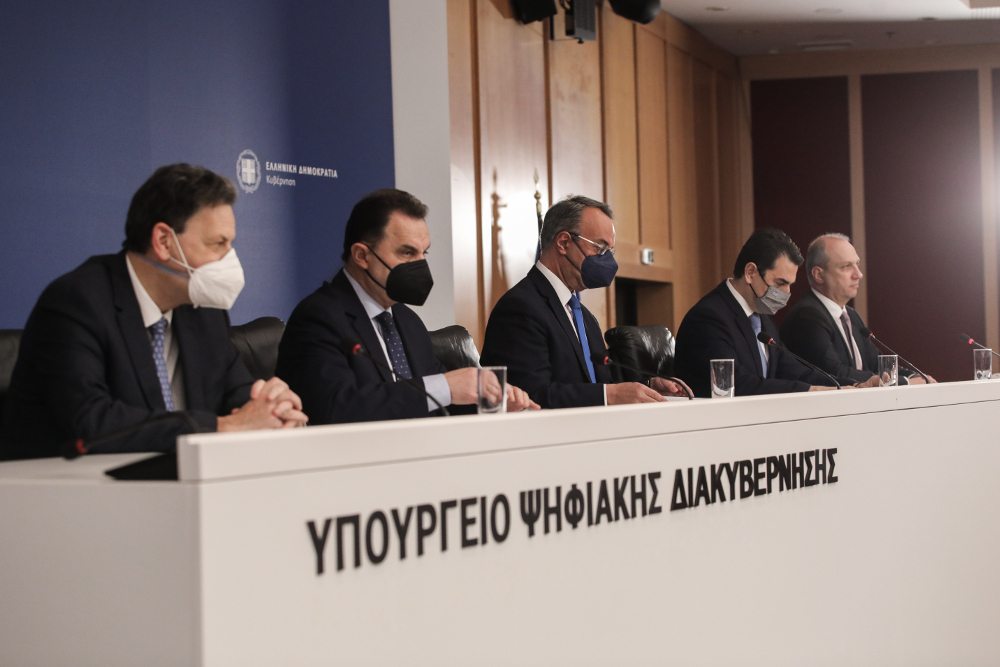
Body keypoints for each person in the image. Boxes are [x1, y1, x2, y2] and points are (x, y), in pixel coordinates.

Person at [0, 164, 307, 461]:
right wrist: (223, 427)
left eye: (230, 244)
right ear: (163, 241)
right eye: (217, 243)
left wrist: (272, 408)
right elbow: (91, 422)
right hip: (64, 486)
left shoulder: (204, 310)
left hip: (175, 482)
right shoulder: (77, 302)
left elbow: (236, 394)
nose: (230, 259)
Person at [275, 188, 537, 424]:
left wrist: (489, 402)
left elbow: (439, 403)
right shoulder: (319, 317)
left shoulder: (406, 320)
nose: (420, 265)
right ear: (362, 255)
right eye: (407, 253)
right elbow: (335, 408)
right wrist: (445, 386)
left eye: (424, 253)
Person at [480, 195, 689, 408]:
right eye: (600, 249)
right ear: (564, 243)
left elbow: (597, 384)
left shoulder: (584, 317)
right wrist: (610, 395)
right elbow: (530, 396)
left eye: (610, 251)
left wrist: (648, 387)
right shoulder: (520, 308)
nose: (607, 260)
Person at [673, 227, 874, 398]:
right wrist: (811, 390)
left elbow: (794, 371)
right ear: (750, 273)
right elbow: (736, 384)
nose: (786, 293)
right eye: (780, 283)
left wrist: (850, 385)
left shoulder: (762, 318)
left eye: (790, 284)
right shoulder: (709, 317)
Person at [780, 234, 933, 385]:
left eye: (857, 265)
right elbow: (835, 373)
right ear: (819, 275)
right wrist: (905, 382)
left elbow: (876, 365)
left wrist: (917, 377)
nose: (858, 274)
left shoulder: (850, 315)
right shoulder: (807, 316)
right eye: (846, 266)